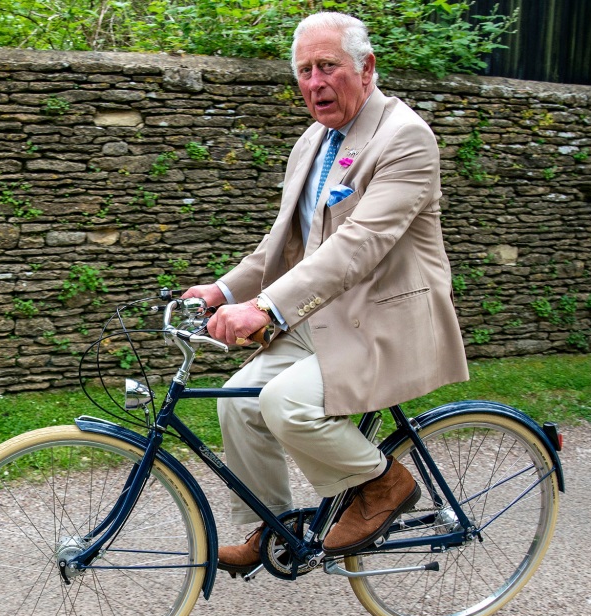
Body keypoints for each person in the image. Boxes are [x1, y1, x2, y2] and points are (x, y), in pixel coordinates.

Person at [182, 11, 469, 574]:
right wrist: (221, 290)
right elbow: (283, 246)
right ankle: (272, 527)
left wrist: (264, 307)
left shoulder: (404, 137)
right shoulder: (314, 141)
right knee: (239, 402)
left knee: (285, 404)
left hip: (383, 321)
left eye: (328, 66)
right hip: (323, 319)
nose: (314, 83)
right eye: (304, 70)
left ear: (366, 68)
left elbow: (358, 245)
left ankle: (386, 486)